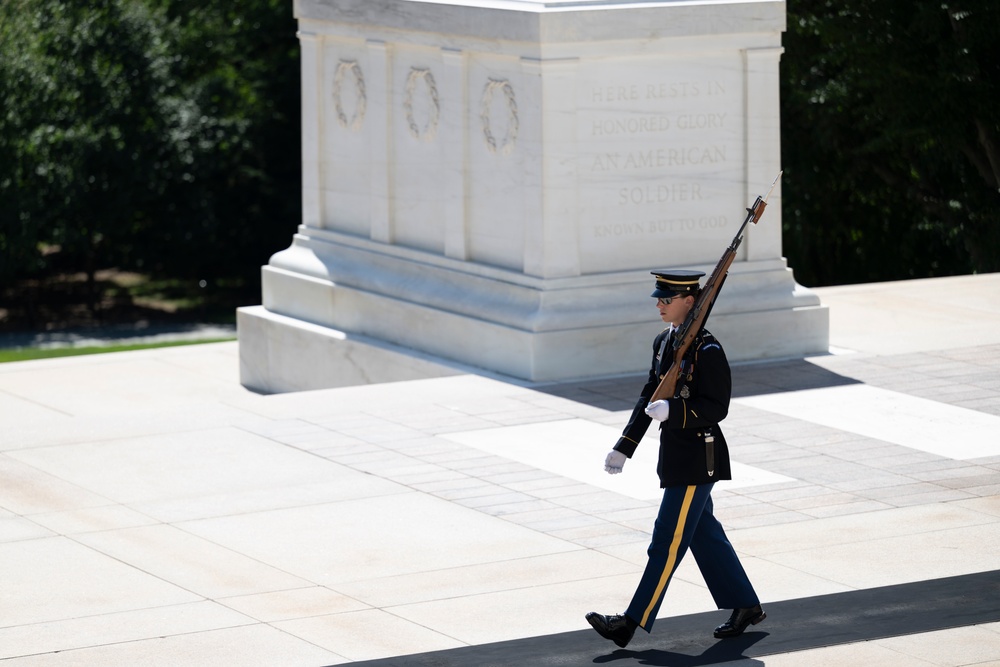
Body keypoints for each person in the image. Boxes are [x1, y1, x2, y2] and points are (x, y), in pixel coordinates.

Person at [586, 269, 765, 649]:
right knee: (704, 535)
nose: (659, 305)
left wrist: (676, 411)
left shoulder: (708, 350)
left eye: (666, 300)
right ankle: (746, 605)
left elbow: (717, 407)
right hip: (677, 457)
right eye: (659, 298)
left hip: (698, 459)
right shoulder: (663, 342)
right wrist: (625, 445)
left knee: (666, 541)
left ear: (689, 301)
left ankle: (630, 622)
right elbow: (649, 394)